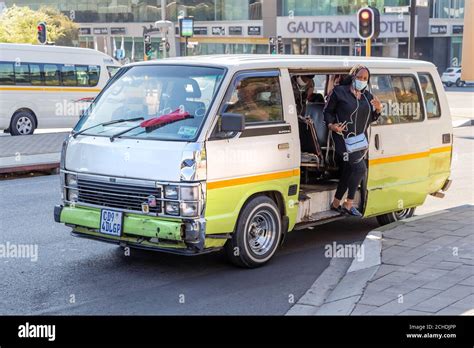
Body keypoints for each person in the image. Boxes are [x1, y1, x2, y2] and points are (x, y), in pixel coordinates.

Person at [323, 65, 382, 217]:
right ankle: (348, 204)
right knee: (360, 169)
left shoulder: (367, 96)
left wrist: (378, 110)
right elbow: (327, 111)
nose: (362, 81)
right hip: (342, 139)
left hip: (359, 141)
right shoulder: (339, 92)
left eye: (365, 79)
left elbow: (370, 119)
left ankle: (336, 203)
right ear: (353, 76)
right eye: (359, 77)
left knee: (349, 171)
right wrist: (332, 125)